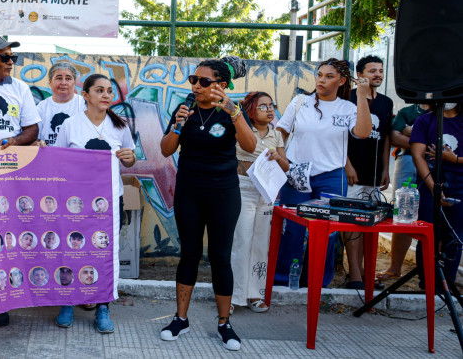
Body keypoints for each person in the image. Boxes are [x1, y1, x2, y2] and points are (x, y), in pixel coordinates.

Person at [158, 56, 256, 350]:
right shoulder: (184, 109)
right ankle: (180, 319)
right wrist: (177, 125)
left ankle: (224, 323)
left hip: (223, 193)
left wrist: (234, 111)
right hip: (189, 192)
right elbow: (165, 151)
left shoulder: (232, 112)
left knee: (220, 257)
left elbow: (251, 146)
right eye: (193, 80)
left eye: (203, 81)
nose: (196, 86)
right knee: (188, 254)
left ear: (221, 85)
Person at [274, 58, 372, 298]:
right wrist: (284, 163)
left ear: (341, 81)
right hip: (297, 172)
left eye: (329, 76)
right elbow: (280, 132)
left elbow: (363, 132)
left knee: (326, 232)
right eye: (320, 75)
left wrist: (361, 96)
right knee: (293, 229)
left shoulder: (347, 108)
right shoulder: (300, 102)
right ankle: (283, 281)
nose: (322, 80)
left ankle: (318, 281)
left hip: (331, 176)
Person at [54, 73, 137, 333]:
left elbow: (130, 160)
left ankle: (103, 306)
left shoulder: (120, 126)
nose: (106, 95)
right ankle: (68, 301)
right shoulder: (71, 124)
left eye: (109, 91)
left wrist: (128, 157)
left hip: (109, 199)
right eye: (99, 90)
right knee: (72, 249)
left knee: (104, 252)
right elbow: (58, 160)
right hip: (75, 202)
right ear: (86, 95)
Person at [230, 92, 288, 313]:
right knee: (242, 241)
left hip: (267, 193)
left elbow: (286, 166)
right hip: (243, 190)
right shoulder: (242, 129)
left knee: (261, 244)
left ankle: (255, 294)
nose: (269, 109)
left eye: (271, 105)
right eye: (263, 106)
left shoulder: (276, 135)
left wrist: (278, 158)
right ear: (251, 111)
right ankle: (234, 296)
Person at [343, 55, 393, 289]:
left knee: (368, 223)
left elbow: (386, 138)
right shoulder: (348, 98)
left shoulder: (386, 102)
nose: (378, 75)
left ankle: (364, 272)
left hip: (374, 173)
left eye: (381, 70)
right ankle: (354, 275)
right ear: (359, 75)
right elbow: (338, 135)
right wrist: (347, 164)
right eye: (372, 70)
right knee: (352, 223)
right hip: (351, 171)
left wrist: (385, 168)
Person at [411, 102, 463, 289]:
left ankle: (446, 285)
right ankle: (427, 284)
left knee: (455, 238)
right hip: (429, 182)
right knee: (428, 235)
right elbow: (418, 156)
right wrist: (433, 188)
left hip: (460, 185)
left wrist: (454, 159)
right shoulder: (424, 120)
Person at [377, 102, 430, 284]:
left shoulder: (443, 110)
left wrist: (410, 132)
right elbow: (394, 137)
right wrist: (424, 142)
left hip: (434, 163)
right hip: (406, 160)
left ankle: (429, 272)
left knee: (431, 215)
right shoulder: (407, 111)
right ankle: (395, 267)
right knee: (401, 214)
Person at [35, 61, 85, 146]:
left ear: (74, 82)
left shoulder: (84, 105)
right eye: (59, 78)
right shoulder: (41, 107)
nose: (63, 83)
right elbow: (36, 138)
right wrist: (38, 143)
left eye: (68, 79)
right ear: (50, 81)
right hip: (49, 157)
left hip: (77, 157)